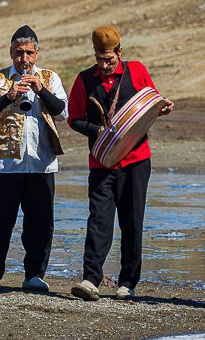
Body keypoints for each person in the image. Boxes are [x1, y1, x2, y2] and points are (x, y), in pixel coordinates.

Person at [67, 25, 173, 301]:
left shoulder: (136, 70)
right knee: (98, 220)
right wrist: (96, 130)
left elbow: (152, 103)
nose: (104, 64)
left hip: (137, 160)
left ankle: (127, 282)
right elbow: (74, 119)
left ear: (120, 52)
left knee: (132, 220)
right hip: (101, 162)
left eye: (109, 59)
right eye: (99, 58)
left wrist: (164, 107)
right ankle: (91, 279)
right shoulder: (84, 80)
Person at [0, 25, 68, 291]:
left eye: (28, 53)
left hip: (41, 163)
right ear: (10, 53)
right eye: (18, 53)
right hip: (5, 165)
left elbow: (63, 113)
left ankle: (35, 275)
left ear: (37, 53)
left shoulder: (50, 77)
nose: (23, 59)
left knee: (40, 224)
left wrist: (41, 90)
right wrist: (9, 96)